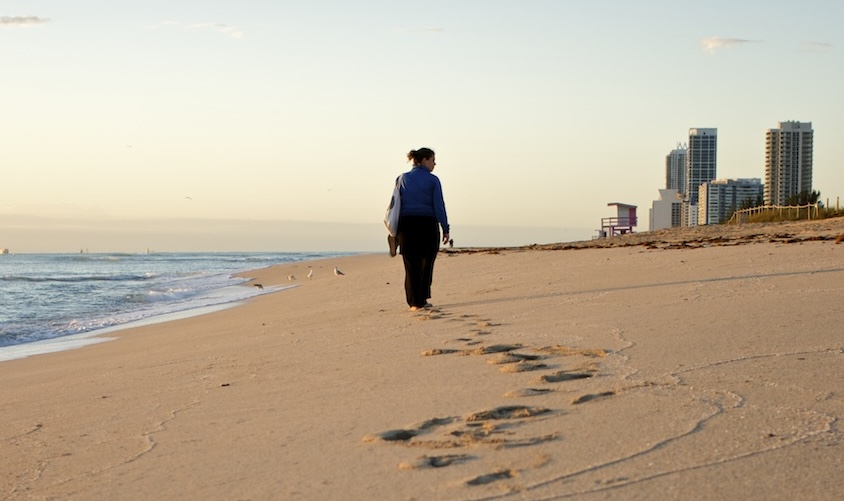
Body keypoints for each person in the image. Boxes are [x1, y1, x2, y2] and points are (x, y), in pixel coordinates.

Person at [395, 147, 450, 311]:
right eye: (433, 160)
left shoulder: (401, 179)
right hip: (427, 225)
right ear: (425, 160)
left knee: (411, 264)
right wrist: (445, 227)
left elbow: (394, 206)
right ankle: (422, 298)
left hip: (406, 226)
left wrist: (395, 231)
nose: (435, 164)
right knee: (426, 262)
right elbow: (439, 206)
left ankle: (414, 302)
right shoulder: (433, 180)